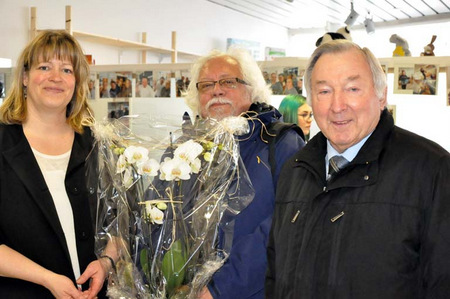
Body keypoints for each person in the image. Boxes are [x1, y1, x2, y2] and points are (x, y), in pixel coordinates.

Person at [266, 40, 450, 298]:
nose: (338, 106)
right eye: (324, 91)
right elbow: (275, 272)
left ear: (381, 95)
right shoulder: (295, 169)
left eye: (352, 88)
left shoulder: (432, 170)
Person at [184, 47, 305, 299]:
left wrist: (218, 290)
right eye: (206, 85)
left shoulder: (282, 143)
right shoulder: (184, 150)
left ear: (252, 89)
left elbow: (286, 226)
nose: (216, 90)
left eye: (228, 81)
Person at [0, 30, 112, 299]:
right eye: (44, 67)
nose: (55, 77)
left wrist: (107, 263)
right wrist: (47, 279)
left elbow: (118, 223)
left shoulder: (97, 144)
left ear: (76, 82)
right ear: (25, 78)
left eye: (66, 69)